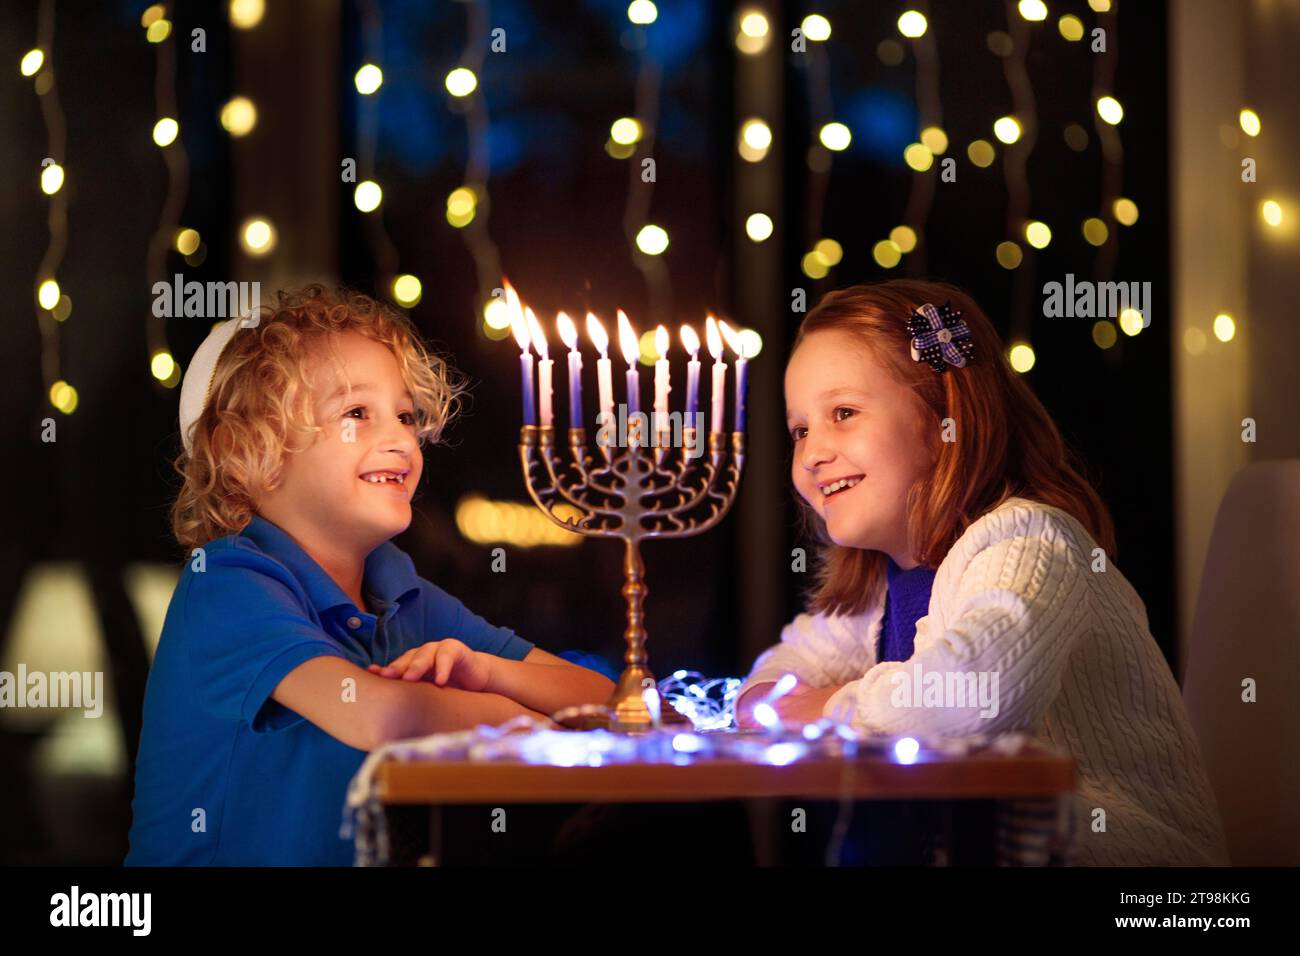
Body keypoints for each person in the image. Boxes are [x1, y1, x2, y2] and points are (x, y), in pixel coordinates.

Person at [734, 280, 1229, 866]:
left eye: (843, 413)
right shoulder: (877, 586)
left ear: (947, 416)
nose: (813, 451)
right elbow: (783, 671)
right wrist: (772, 698)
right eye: (801, 430)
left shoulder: (1031, 540)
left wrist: (824, 706)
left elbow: (972, 694)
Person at [126, 284, 613, 865]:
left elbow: (607, 700)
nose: (400, 439)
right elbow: (384, 715)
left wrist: (483, 670)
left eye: (406, 416)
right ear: (245, 453)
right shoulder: (228, 583)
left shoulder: (399, 592)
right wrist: (532, 724)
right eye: (357, 413)